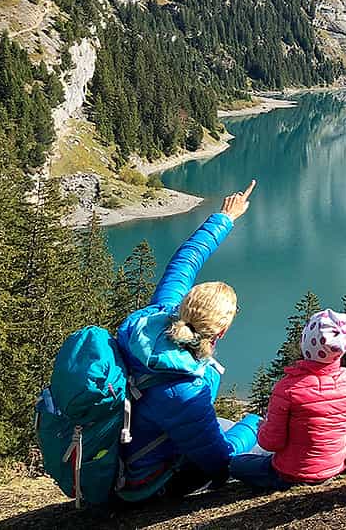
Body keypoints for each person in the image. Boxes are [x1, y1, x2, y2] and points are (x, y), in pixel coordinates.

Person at [113, 181, 263, 502]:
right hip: (142, 485)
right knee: (256, 441)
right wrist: (254, 424)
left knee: (220, 425)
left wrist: (225, 216)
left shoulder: (158, 316)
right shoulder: (184, 392)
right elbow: (219, 463)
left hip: (120, 452)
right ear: (220, 333)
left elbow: (186, 260)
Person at [230, 309, 346, 490]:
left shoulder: (287, 388)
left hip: (288, 475)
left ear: (306, 343)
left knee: (236, 464)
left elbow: (272, 443)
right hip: (332, 469)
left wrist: (262, 428)